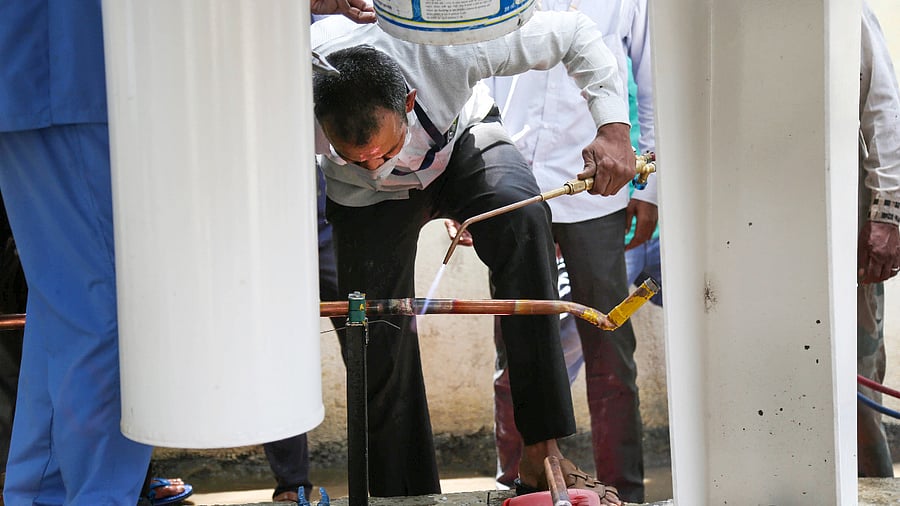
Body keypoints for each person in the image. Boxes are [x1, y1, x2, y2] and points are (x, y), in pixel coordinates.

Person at [0, 1, 374, 504]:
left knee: (65, 308)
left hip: (31, 70)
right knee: (111, 313)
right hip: (86, 70)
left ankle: (43, 495)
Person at [310, 11, 634, 502]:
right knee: (374, 328)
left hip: (462, 142)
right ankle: (401, 492)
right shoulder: (291, 86)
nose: (377, 168)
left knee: (522, 223)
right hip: (362, 204)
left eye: (384, 149)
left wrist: (614, 129)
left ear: (409, 100)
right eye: (357, 157)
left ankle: (540, 452)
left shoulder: (450, 47)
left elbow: (574, 34)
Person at [467, 1, 655, 502]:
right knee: (516, 348)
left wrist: (647, 187)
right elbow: (471, 69)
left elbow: (652, 81)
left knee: (611, 354)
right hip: (514, 188)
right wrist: (471, 180)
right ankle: (518, 488)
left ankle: (625, 493)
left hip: (598, 193)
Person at [857, 0, 900, 479]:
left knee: (859, 375)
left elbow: (883, 110)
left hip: (845, 211)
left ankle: (875, 488)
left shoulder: (847, 14)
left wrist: (887, 214)